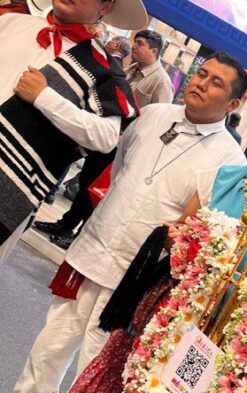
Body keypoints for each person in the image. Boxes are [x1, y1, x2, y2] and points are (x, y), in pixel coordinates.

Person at [0, 52, 247, 393]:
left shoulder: (230, 160)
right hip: (97, 243)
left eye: (216, 82)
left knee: (99, 361)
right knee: (54, 336)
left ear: (233, 105)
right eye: (201, 74)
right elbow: (119, 169)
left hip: (140, 272)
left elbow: (203, 226)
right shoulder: (154, 115)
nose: (201, 83)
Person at [61, 115, 247, 393]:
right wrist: (176, 240)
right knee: (136, 376)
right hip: (177, 304)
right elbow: (182, 232)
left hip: (228, 332)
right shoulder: (218, 178)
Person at [0, 0, 146, 264]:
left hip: (11, 188)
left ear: (106, 7)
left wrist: (45, 98)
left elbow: (106, 137)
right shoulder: (11, 22)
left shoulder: (101, 69)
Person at [125, 29, 174, 106]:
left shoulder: (162, 81)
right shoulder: (132, 68)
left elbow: (160, 114)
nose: (134, 46)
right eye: (135, 42)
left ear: (153, 52)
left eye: (139, 44)